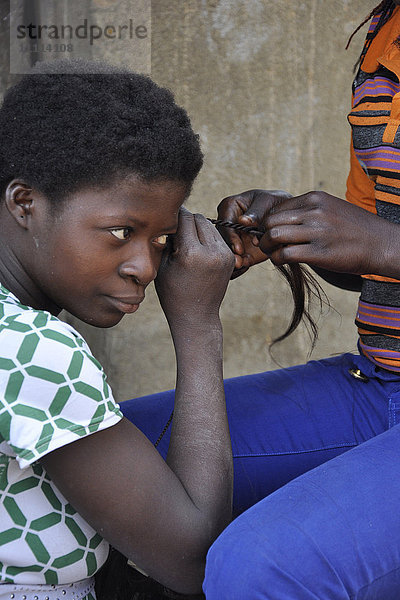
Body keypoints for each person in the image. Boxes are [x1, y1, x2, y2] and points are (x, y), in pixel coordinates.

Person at [121, 1, 400, 597]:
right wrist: (309, 236)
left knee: (260, 567)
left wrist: (384, 245)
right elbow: (376, 264)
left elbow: (386, 248)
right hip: (382, 381)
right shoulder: (385, 36)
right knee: (112, 466)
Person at [0, 58, 235, 600]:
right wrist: (198, 325)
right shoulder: (34, 351)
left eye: (160, 239)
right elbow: (192, 559)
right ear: (25, 202)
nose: (145, 268)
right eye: (120, 231)